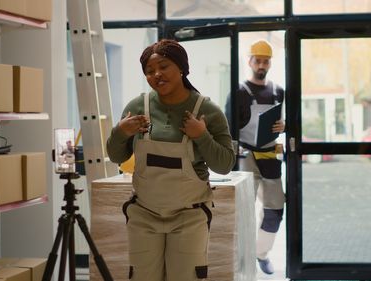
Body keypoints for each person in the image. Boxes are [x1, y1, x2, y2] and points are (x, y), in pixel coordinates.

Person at [107, 39, 235, 281]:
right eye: (149, 71)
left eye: (163, 66)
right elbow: (116, 156)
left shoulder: (207, 110)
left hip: (189, 217)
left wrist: (201, 136)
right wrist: (121, 132)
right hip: (144, 214)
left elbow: (225, 163)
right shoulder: (138, 106)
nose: (156, 74)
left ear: (182, 68)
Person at [225, 39, 286, 275]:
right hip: (245, 156)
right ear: (249, 61)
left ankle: (261, 253)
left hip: (270, 155)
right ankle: (240, 258)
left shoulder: (279, 91)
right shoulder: (239, 92)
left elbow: (286, 123)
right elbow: (228, 127)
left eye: (266, 60)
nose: (262, 64)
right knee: (243, 210)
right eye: (258, 60)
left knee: (275, 209)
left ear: (270, 63)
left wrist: (284, 126)